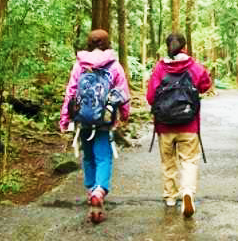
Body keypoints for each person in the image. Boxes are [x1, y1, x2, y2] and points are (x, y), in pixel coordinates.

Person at [59, 29, 130, 224]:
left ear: (89, 44)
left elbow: (71, 92)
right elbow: (122, 92)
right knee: (104, 157)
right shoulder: (114, 66)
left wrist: (64, 118)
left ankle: (91, 191)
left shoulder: (79, 65)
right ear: (107, 43)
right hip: (105, 120)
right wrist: (125, 114)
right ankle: (99, 190)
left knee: (88, 156)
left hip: (83, 119)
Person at [146, 32, 212, 218]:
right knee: (189, 161)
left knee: (168, 162)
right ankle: (188, 193)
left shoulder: (160, 68)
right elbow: (206, 85)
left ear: (167, 47)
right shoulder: (194, 67)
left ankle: (170, 197)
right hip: (189, 124)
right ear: (185, 47)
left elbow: (151, 97)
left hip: (164, 126)